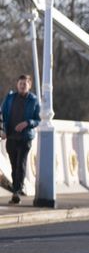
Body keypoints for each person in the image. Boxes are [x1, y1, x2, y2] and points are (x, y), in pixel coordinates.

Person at [0, 75, 41, 204]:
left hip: (24, 138)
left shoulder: (34, 100)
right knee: (13, 165)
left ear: (29, 85)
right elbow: (1, 114)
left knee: (20, 164)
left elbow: (39, 119)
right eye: (20, 83)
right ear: (17, 85)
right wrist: (2, 130)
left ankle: (16, 191)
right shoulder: (10, 98)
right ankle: (16, 189)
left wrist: (27, 123)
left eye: (25, 84)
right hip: (11, 136)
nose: (22, 86)